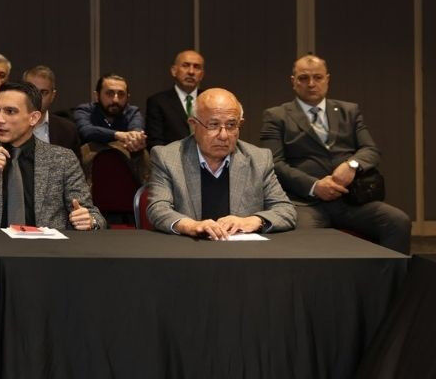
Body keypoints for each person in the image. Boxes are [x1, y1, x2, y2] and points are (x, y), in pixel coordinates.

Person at [259, 54, 410, 254]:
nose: (311, 83)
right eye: (304, 78)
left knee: (398, 221)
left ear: (327, 79)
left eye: (318, 77)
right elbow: (275, 164)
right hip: (305, 203)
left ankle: (386, 276)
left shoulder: (349, 111)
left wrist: (351, 165)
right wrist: (315, 186)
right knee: (301, 239)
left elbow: (370, 150)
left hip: (351, 200)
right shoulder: (277, 116)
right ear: (293, 82)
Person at [0, 81, 104, 230]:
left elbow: (95, 217)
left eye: (10, 111)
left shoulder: (62, 160)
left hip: (46, 247)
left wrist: (90, 220)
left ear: (33, 118)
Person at [145, 88, 296, 239]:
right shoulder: (168, 158)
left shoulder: (259, 159)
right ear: (193, 124)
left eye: (231, 125)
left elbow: (285, 210)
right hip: (190, 247)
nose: (223, 135)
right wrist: (192, 226)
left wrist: (253, 221)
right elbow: (158, 208)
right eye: (213, 124)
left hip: (242, 250)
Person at [73, 73, 147, 154]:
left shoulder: (132, 111)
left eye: (121, 94)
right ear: (97, 96)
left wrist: (136, 138)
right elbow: (86, 131)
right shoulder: (84, 110)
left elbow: (136, 129)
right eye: (109, 93)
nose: (116, 100)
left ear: (127, 97)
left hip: (123, 159)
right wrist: (118, 135)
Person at [146, 50, 206, 148]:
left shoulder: (210, 100)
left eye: (196, 67)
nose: (191, 72)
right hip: (171, 156)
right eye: (185, 66)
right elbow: (155, 142)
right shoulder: (158, 101)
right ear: (174, 71)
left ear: (202, 75)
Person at [21, 65, 79, 153]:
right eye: (32, 91)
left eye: (43, 92)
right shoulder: (6, 126)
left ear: (52, 96)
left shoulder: (68, 131)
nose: (37, 97)